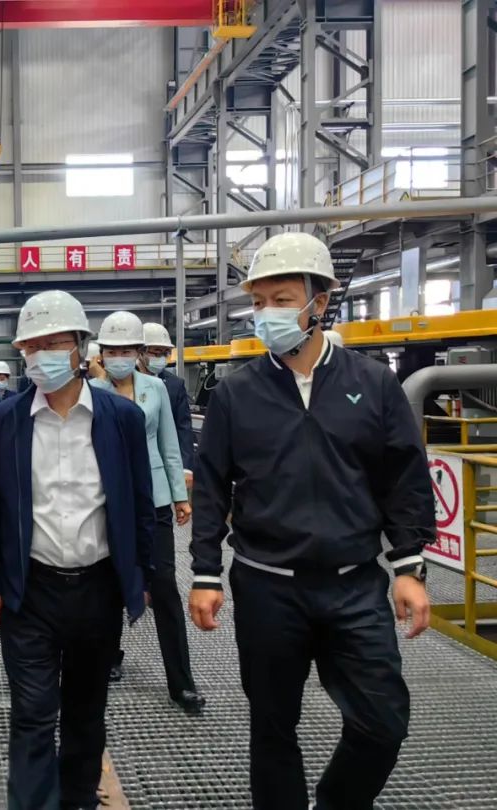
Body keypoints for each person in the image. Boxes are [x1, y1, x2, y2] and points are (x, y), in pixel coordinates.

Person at [189, 232, 433, 810]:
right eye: (259, 302)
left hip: (354, 585)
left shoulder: (371, 383)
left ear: (319, 302)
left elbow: (403, 476)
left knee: (383, 722)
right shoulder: (236, 393)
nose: (266, 314)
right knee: (273, 727)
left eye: (281, 300)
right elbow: (212, 487)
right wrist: (204, 572)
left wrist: (408, 565)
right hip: (267, 587)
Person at [0, 290, 157, 810]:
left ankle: (78, 799)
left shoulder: (120, 418)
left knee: (85, 711)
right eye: (32, 346)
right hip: (30, 589)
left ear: (80, 347)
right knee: (33, 713)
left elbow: (140, 503)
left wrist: (142, 575)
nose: (42, 356)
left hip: (97, 588)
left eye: (54, 343)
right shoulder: (6, 419)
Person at [88, 312, 203, 713]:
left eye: (126, 351)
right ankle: (108, 657)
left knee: (165, 587)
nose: (119, 357)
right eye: (112, 351)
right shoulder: (90, 392)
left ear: (138, 352)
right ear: (102, 354)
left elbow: (169, 445)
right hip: (107, 499)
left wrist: (180, 496)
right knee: (109, 585)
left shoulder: (156, 388)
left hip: (153, 500)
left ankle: (182, 683)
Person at [140, 323, 195, 489]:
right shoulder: (127, 381)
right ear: (141, 352)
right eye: (156, 352)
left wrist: (186, 468)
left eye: (165, 353)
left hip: (165, 464)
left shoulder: (175, 385)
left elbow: (183, 428)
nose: (161, 358)